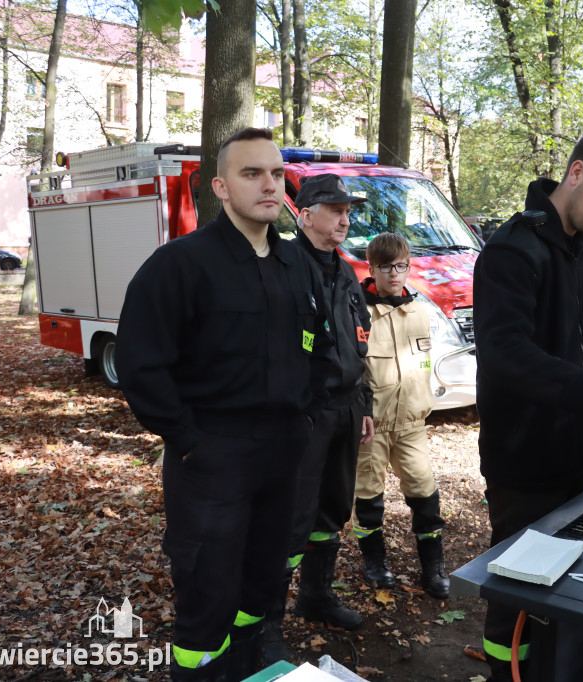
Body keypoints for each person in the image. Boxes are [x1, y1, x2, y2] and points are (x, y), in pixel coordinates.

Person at [115, 127, 329, 681]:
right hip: (212, 462)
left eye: (277, 174)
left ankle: (245, 666)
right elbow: (142, 365)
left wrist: (305, 418)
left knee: (260, 581)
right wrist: (189, 442)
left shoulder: (294, 264)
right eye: (251, 173)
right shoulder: (182, 265)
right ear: (221, 187)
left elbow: (320, 348)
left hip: (281, 459)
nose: (268, 185)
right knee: (207, 594)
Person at [472, 128, 583, 682]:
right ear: (576, 173)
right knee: (518, 611)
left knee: (573, 602)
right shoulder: (510, 251)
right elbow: (507, 355)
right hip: (525, 466)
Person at [282, 174, 375, 637]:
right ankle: (266, 625)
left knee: (332, 510)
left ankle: (315, 597)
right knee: (291, 516)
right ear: (305, 215)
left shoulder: (346, 271)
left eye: (348, 211)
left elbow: (360, 343)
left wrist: (366, 405)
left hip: (346, 409)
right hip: (305, 416)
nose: (345, 218)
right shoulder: (284, 266)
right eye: (336, 210)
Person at [351, 232, 449, 599]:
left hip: (411, 425)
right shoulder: (358, 310)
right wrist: (361, 412)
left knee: (425, 493)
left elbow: (422, 364)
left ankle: (432, 568)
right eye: (387, 266)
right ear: (372, 267)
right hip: (371, 426)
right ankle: (375, 563)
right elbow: (353, 368)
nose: (395, 274)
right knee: (368, 498)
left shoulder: (418, 311)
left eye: (402, 266)